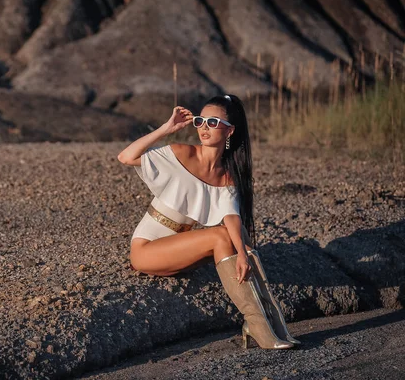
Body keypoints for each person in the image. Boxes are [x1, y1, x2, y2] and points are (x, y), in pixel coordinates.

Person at [117, 94, 300, 349]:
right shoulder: (180, 153)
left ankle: (273, 324)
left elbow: (232, 217)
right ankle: (256, 323)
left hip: (180, 250)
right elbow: (126, 157)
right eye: (201, 120)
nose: (204, 127)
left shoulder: (227, 175)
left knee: (239, 241)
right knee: (219, 236)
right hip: (147, 250)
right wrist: (167, 129)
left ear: (230, 131)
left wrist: (243, 254)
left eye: (213, 122)